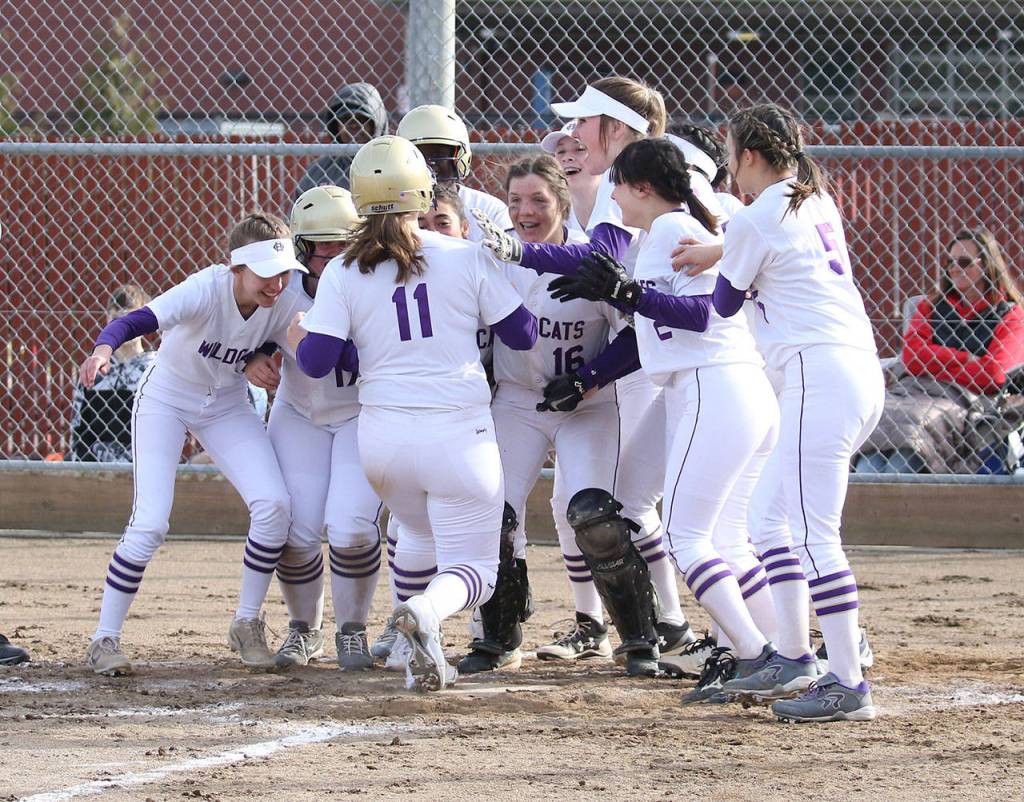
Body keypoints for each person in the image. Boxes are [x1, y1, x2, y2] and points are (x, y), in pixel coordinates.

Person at [547, 138, 801, 704]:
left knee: (690, 537)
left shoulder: (669, 228)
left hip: (714, 384)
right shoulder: (662, 232)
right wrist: (589, 376)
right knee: (725, 540)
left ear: (642, 188)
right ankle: (790, 652)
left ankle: (755, 654)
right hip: (720, 388)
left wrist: (629, 292)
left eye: (618, 184)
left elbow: (704, 315)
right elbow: (648, 334)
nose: (611, 196)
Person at [292, 135, 537, 691]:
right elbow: (522, 336)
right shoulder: (463, 252)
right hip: (458, 432)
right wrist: (496, 268)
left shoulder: (342, 271)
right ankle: (425, 615)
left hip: (382, 438)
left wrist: (316, 333)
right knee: (475, 571)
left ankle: (406, 648)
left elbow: (315, 362)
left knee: (418, 534)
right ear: (422, 193)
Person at [475, 76, 696, 666]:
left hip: (614, 393)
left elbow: (631, 320)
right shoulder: (508, 252)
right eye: (515, 202)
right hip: (526, 398)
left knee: (599, 510)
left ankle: (653, 633)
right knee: (501, 509)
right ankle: (500, 633)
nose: (524, 213)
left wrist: (589, 377)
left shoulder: (613, 228)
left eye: (538, 201)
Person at [681, 103, 884, 722]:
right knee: (769, 520)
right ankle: (795, 657)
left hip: (816, 375)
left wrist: (716, 250)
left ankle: (848, 682)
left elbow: (720, 307)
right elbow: (760, 248)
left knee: (813, 532)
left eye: (731, 151)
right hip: (851, 369)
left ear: (748, 156)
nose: (729, 167)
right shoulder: (811, 196)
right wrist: (723, 245)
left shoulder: (758, 214)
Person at [79, 212, 308, 676]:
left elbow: (267, 340)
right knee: (150, 524)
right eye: (266, 273)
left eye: (284, 272)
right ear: (236, 269)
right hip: (167, 397)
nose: (277, 283)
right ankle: (104, 639)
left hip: (225, 403)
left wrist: (260, 357)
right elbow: (138, 319)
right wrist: (103, 350)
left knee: (275, 505)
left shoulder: (284, 297)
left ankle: (246, 622)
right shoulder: (206, 288)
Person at [242, 186, 388, 672]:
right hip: (299, 412)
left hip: (361, 414)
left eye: (338, 242)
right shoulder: (281, 289)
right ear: (300, 247)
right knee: (295, 532)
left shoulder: (378, 283)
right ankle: (305, 629)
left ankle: (353, 628)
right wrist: (253, 358)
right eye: (318, 244)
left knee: (349, 529)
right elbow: (236, 330)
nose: (328, 254)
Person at [856, 227, 1024, 474]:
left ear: (987, 266)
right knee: (871, 460)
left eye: (965, 262)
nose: (955, 268)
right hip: (912, 391)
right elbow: (911, 358)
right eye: (950, 262)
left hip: (961, 399)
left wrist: (934, 356)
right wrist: (968, 359)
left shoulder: (1010, 315)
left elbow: (994, 374)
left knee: (906, 449)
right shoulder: (929, 307)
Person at [396, 104, 511, 243]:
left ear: (460, 158)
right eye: (419, 156)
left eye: (438, 154)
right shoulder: (393, 208)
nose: (429, 165)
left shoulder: (488, 209)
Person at [69, 285, 156, 462]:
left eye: (131, 319)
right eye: (117, 320)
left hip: (142, 464)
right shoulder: (95, 370)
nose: (124, 327)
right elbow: (79, 430)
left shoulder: (154, 370)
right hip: (96, 467)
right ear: (108, 319)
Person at [295, 83, 388, 195]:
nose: (353, 125)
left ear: (378, 123)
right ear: (335, 125)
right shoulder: (320, 171)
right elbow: (297, 210)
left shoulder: (396, 165)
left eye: (362, 118)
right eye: (345, 118)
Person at [540, 122, 601, 235]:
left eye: (579, 149)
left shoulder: (619, 199)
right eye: (561, 151)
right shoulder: (555, 210)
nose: (567, 158)